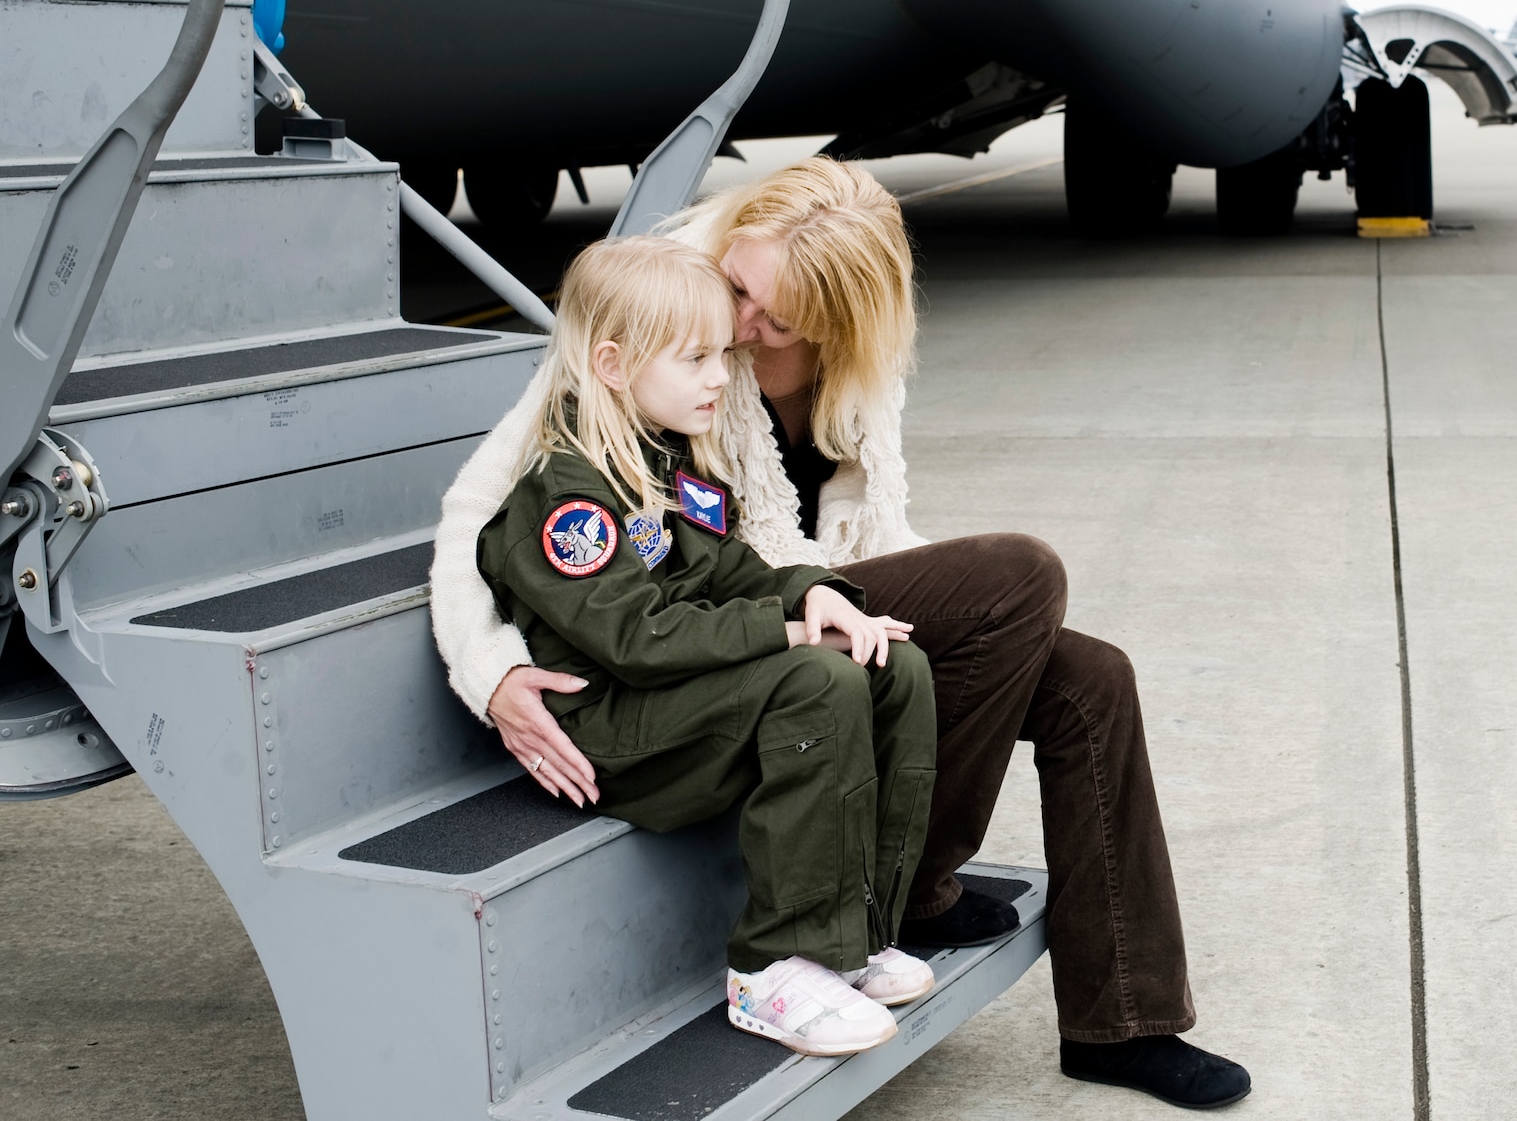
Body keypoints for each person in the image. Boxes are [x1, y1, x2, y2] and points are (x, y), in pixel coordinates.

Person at [430, 158, 1252, 1109]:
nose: (742, 328)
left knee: (1089, 678)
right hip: (732, 625)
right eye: (744, 288)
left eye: (774, 320)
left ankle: (1124, 1021)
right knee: (1024, 572)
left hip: (785, 591)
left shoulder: (857, 362)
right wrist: (490, 670)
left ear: (837, 321)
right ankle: (912, 892)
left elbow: (874, 530)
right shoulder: (667, 301)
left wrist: (845, 599)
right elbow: (484, 512)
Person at [471, 234, 937, 1057]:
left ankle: (855, 933)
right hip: (612, 730)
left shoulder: (660, 451)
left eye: (722, 352)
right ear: (613, 363)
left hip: (675, 701)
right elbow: (637, 638)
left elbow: (723, 564)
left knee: (893, 664)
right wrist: (788, 629)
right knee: (815, 682)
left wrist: (809, 591)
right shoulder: (567, 494)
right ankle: (771, 967)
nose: (723, 374)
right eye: (695, 358)